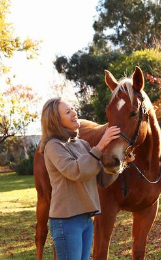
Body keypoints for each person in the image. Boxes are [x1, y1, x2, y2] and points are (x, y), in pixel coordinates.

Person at [39, 97, 120, 260]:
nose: (74, 113)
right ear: (55, 120)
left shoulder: (82, 144)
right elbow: (76, 171)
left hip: (86, 220)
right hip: (66, 221)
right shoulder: (53, 146)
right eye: (68, 112)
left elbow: (102, 180)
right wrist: (101, 145)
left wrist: (117, 162)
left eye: (73, 109)